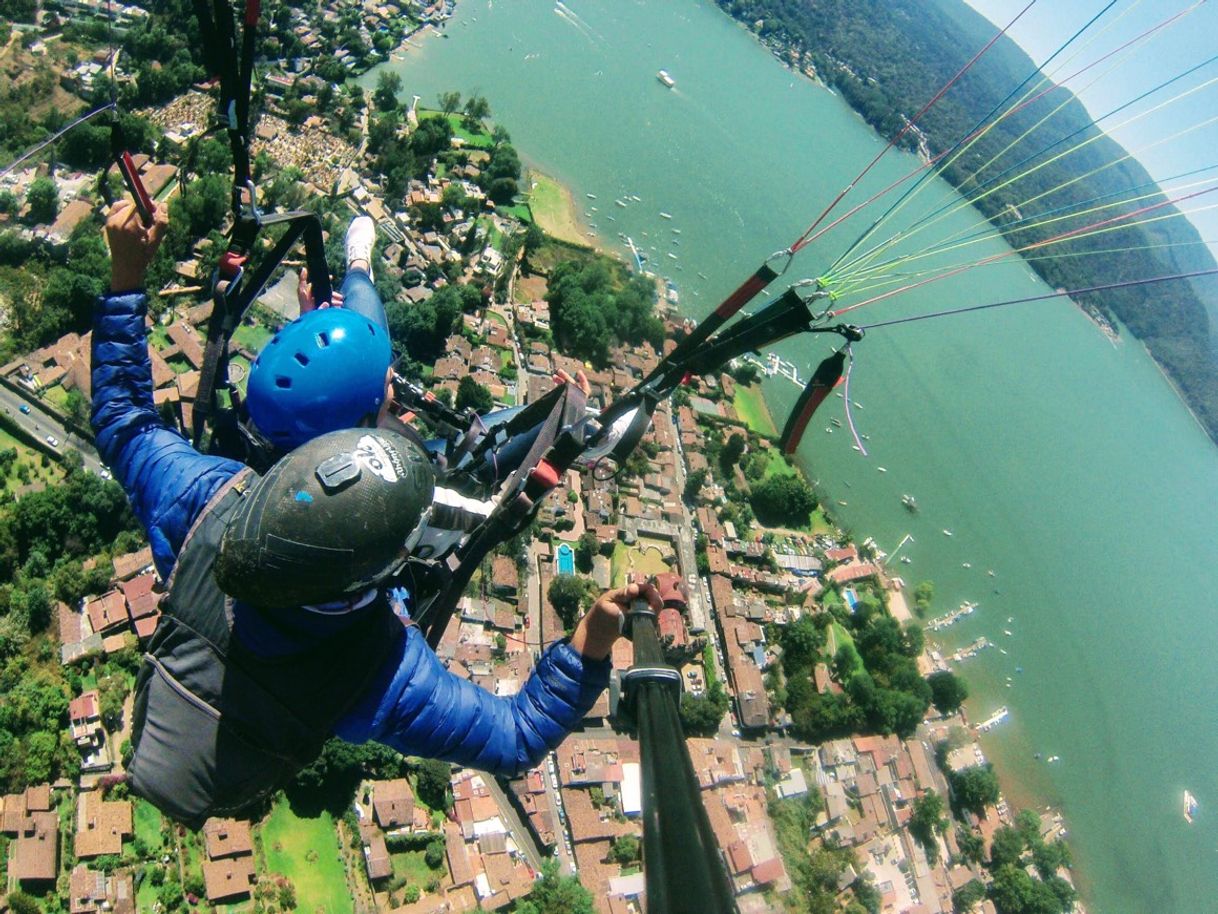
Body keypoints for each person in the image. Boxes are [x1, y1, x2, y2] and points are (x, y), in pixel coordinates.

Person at [94, 200, 657, 825]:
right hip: (378, 561)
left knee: (465, 466)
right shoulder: (374, 675)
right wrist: (595, 639)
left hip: (231, 651)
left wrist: (126, 280)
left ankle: (562, 421)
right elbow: (516, 737)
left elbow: (124, 419)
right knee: (472, 469)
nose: (395, 395)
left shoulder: (203, 500)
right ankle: (577, 427)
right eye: (385, 398)